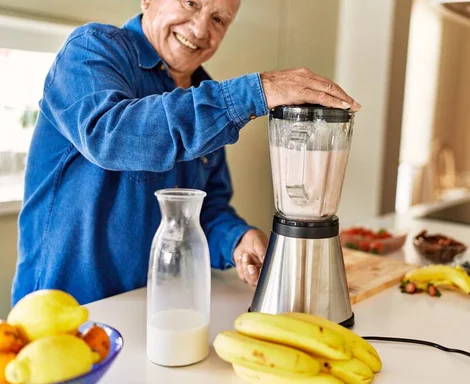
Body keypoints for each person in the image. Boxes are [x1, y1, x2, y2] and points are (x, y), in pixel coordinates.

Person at [11, 0, 360, 306]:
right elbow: (113, 136)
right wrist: (254, 92)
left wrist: (236, 239)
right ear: (148, 0)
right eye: (191, 3)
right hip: (65, 314)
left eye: (219, 19)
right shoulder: (92, 50)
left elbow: (204, 209)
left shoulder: (207, 98)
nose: (200, 28)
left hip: (156, 309)